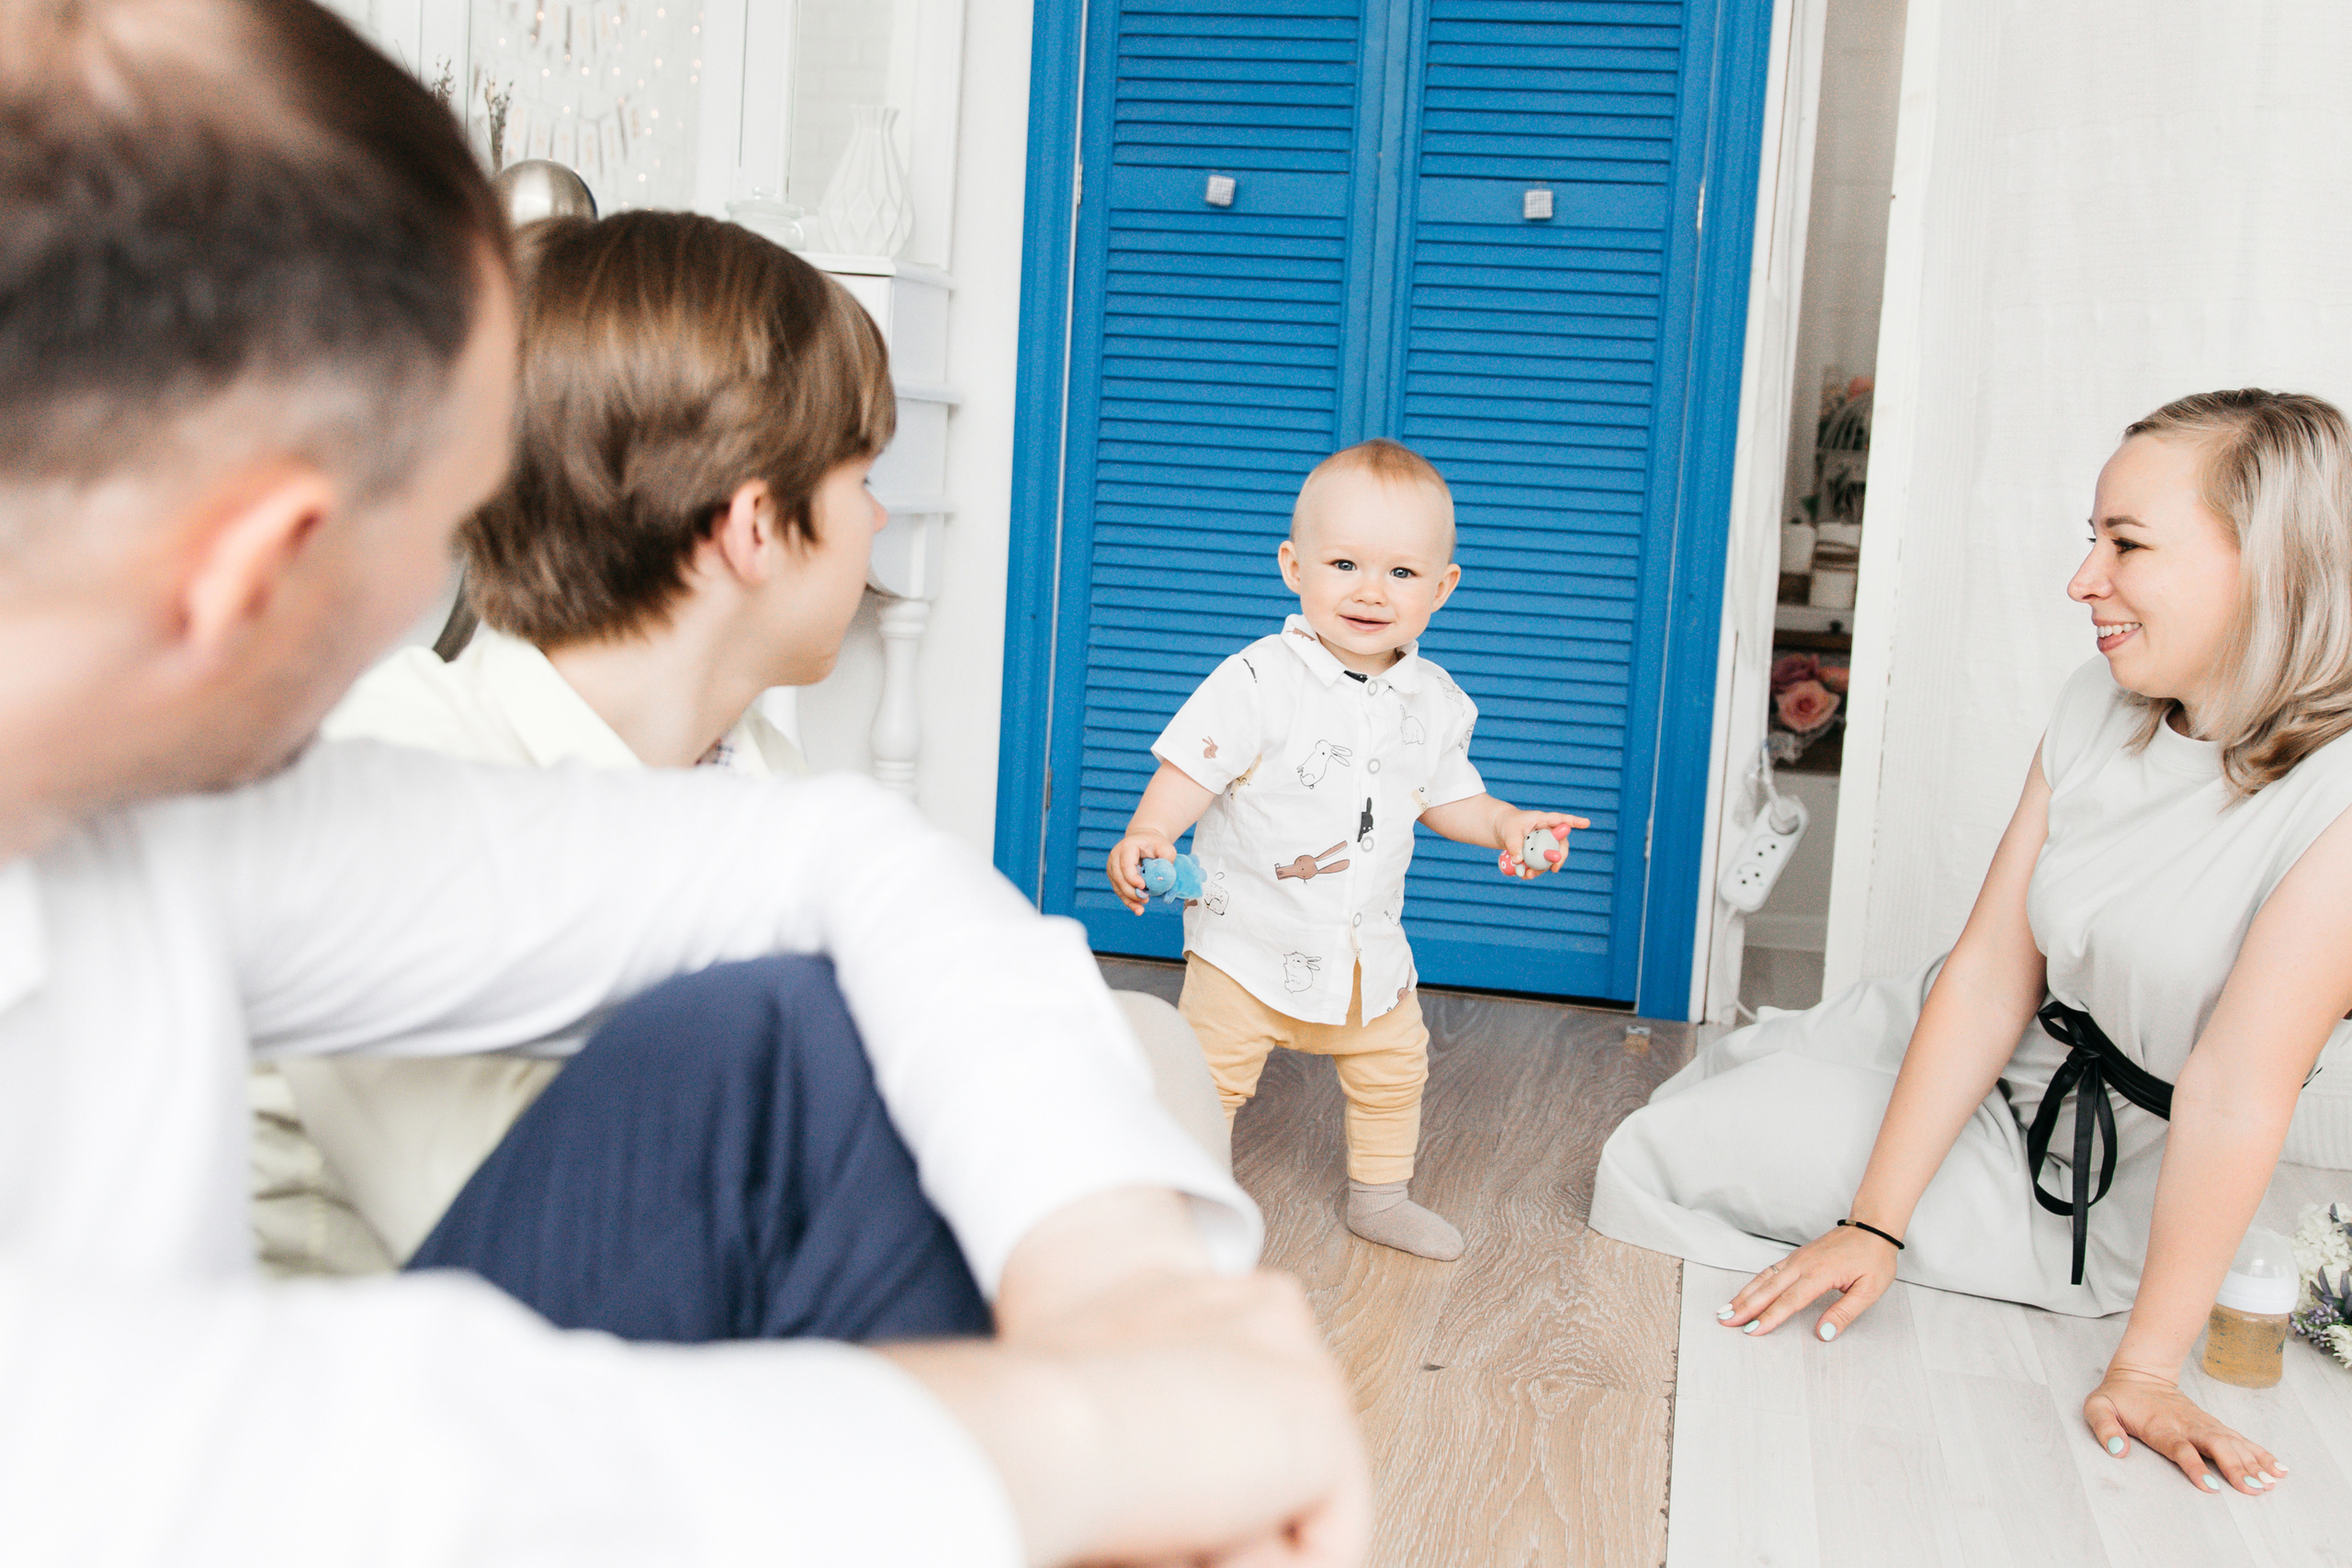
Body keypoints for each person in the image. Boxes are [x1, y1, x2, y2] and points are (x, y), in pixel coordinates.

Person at [0, 1, 1366, 1562]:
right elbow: (269, 1463)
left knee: (804, 1031)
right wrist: (1080, 1426)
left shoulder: (159, 811)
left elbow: (828, 860)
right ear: (257, 570)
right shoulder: (343, 744)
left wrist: (1118, 1295)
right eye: (444, 512)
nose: (480, 567)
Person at [251, 209, 1229, 1275]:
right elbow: (521, 1234)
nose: (879, 523)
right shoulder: (392, 773)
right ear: (753, 528)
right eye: (862, 482)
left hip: (653, 1305)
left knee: (1144, 1040)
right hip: (403, 1365)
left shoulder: (755, 773)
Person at [1591, 389, 2352, 1499]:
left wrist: (2144, 1368)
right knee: (1737, 1073)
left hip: (2102, 1157)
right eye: (2089, 539)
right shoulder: (2100, 701)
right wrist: (1873, 1221)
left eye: (2126, 544)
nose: (2083, 581)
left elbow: (2236, 1094)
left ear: (2273, 565)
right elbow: (1995, 967)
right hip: (1985, 1033)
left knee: (1657, 1155)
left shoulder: (2335, 801)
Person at [1104, 439, 1589, 1259]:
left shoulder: (1435, 701)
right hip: (1245, 944)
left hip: (1364, 949)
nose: (1370, 591)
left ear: (1443, 587)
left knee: (1397, 1069)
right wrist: (1152, 829)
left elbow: (1448, 795)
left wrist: (1505, 823)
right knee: (1208, 1080)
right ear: (1294, 567)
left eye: (1402, 573)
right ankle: (1185, 1201)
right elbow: (1195, 762)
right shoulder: (1258, 679)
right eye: (1344, 564)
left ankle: (1380, 1196)